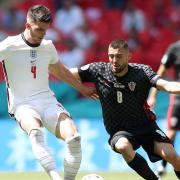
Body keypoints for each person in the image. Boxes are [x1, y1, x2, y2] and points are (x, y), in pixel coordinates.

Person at [0, 5, 97, 180]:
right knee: (36, 132)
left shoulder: (47, 46)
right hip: (22, 104)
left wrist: (83, 89)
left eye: (45, 31)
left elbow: (60, 71)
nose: (42, 34)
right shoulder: (9, 45)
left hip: (47, 101)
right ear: (28, 25)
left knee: (74, 138)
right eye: (39, 30)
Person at [70, 39, 180, 180]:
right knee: (123, 146)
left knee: (172, 156)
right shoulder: (98, 70)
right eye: (111, 56)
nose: (114, 60)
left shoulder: (142, 72)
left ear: (129, 56)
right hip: (119, 129)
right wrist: (81, 88)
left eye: (119, 56)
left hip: (146, 125)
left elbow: (167, 86)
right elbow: (68, 73)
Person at [148, 40, 180, 177]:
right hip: (178, 94)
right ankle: (162, 166)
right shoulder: (174, 48)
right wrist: (152, 95)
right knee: (171, 132)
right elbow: (161, 70)